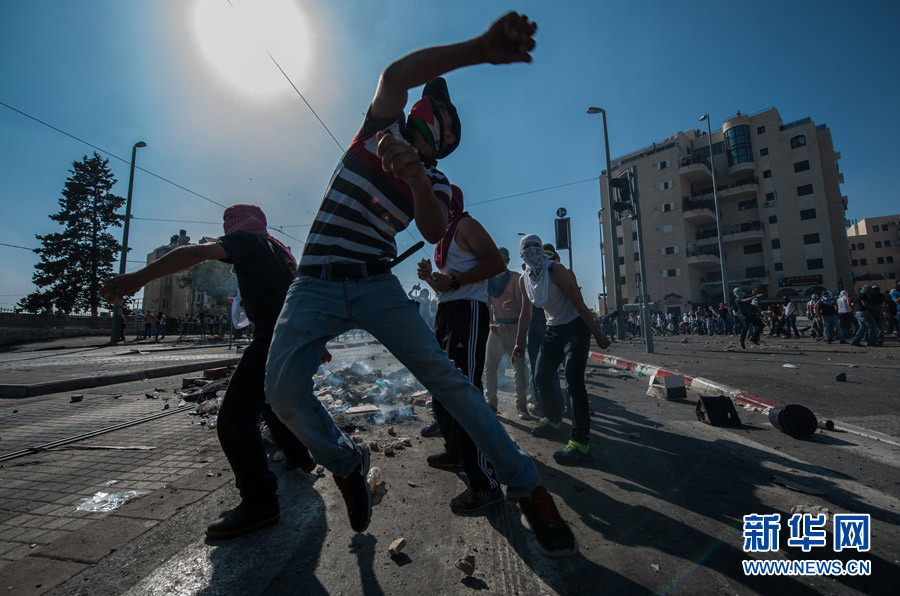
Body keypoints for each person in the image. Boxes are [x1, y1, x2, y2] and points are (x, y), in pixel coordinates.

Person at [263, 13, 578, 558]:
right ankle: (346, 463)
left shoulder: (438, 183)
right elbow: (395, 75)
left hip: (375, 285)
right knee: (282, 391)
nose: (435, 116)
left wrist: (413, 176)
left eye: (446, 119)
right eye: (436, 108)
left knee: (450, 382)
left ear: (447, 140)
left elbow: (433, 228)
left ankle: (527, 486)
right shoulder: (375, 130)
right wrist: (479, 48)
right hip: (313, 283)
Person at [101, 204, 321, 540]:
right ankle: (299, 456)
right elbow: (294, 295)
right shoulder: (274, 250)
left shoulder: (247, 241)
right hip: (291, 334)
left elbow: (194, 252)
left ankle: (260, 502)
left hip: (274, 336)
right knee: (267, 400)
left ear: (237, 226)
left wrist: (137, 278)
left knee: (234, 419)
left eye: (227, 226)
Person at [416, 184, 506, 513]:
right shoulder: (442, 236)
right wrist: (431, 278)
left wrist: (453, 281)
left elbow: (496, 263)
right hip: (448, 312)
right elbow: (447, 285)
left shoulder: (466, 224)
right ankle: (456, 452)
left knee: (464, 390)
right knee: (443, 386)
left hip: (468, 311)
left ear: (447, 202)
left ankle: (486, 484)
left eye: (435, 201)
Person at [513, 234, 611, 466]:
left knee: (574, 382)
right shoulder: (524, 279)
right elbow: (526, 312)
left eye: (536, 246)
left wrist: (597, 333)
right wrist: (519, 341)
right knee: (540, 377)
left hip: (575, 329)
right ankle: (553, 419)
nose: (533, 250)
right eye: (527, 247)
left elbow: (579, 303)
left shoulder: (556, 270)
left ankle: (580, 442)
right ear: (521, 253)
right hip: (553, 330)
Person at [484, 247, 529, 418]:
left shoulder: (516, 278)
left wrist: (514, 305)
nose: (502, 262)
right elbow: (488, 305)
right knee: (489, 367)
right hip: (497, 329)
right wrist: (490, 322)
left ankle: (521, 405)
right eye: (499, 258)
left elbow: (525, 305)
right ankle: (491, 403)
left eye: (505, 259)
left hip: (514, 329)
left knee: (519, 368)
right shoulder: (488, 281)